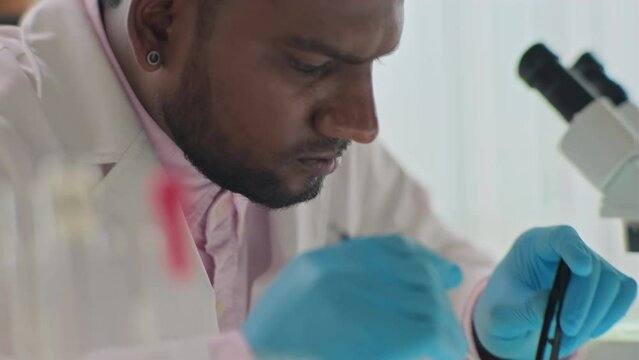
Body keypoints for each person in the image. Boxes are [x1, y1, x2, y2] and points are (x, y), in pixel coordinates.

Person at [0, 0, 636, 359]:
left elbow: (429, 269)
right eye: (310, 65)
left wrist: (483, 321)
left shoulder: (310, 145)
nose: (362, 124)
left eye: (372, 65)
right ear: (159, 23)